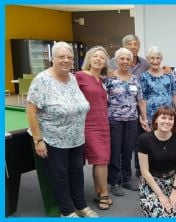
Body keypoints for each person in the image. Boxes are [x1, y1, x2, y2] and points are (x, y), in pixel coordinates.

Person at [26, 41, 98, 217]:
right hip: (53, 138)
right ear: (53, 58)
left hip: (76, 137)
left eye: (69, 57)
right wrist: (38, 140)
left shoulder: (72, 78)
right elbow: (31, 112)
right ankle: (66, 211)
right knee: (60, 176)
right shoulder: (42, 80)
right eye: (61, 57)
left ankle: (80, 205)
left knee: (76, 173)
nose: (66, 60)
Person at [105, 47, 151, 197]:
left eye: (128, 59)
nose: (125, 61)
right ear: (117, 61)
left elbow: (141, 101)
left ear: (132, 62)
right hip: (115, 120)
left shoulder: (134, 79)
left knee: (128, 151)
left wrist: (143, 118)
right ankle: (114, 182)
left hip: (132, 120)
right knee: (115, 151)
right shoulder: (110, 78)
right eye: (122, 59)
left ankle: (126, 179)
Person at [137, 106, 176, 217]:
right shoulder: (144, 139)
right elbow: (145, 171)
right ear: (156, 120)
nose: (167, 121)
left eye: (170, 119)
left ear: (174, 121)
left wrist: (174, 191)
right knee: (161, 214)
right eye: (163, 118)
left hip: (174, 180)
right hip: (152, 182)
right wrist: (161, 195)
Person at [75, 46, 113, 210]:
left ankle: (98, 190)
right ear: (89, 59)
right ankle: (104, 193)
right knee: (100, 159)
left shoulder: (102, 80)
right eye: (95, 56)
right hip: (88, 124)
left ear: (105, 62)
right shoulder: (80, 76)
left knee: (101, 159)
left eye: (102, 57)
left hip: (103, 124)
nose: (98, 59)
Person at [140, 46, 176, 124]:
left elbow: (174, 94)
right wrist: (144, 119)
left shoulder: (168, 74)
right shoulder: (144, 76)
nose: (155, 61)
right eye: (152, 58)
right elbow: (143, 99)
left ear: (161, 59)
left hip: (169, 113)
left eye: (158, 58)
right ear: (147, 59)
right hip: (152, 114)